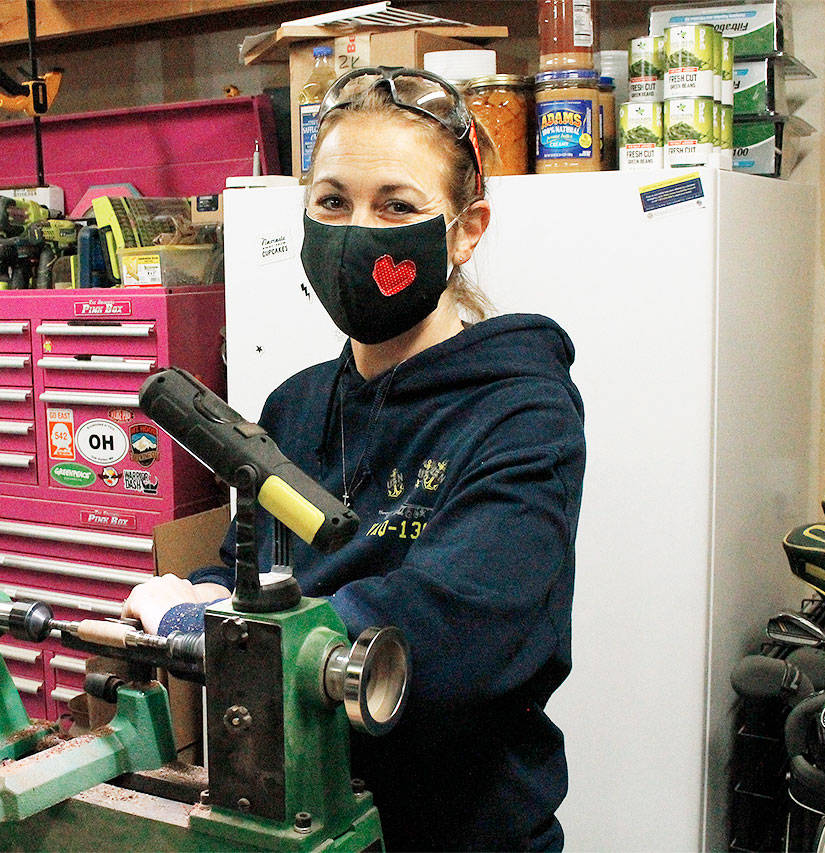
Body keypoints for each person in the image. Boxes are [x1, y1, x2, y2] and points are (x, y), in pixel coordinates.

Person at [124, 66, 585, 852]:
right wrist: (191, 600)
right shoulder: (294, 408)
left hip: (461, 832)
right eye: (332, 201)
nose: (357, 230)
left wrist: (211, 630)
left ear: (466, 229)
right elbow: (251, 566)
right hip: (296, 819)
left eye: (397, 205)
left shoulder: (522, 413)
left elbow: (454, 626)